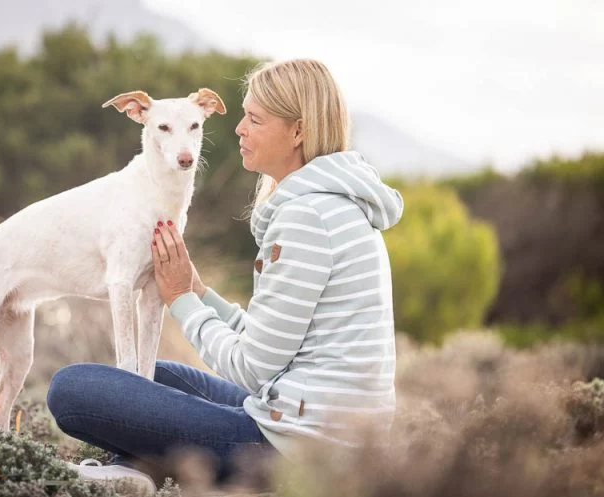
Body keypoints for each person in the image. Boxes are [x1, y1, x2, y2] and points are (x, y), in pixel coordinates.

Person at [46, 58, 404, 493]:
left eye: (254, 119)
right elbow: (275, 344)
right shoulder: (332, 205)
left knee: (73, 388)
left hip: (299, 452)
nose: (238, 129)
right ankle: (135, 470)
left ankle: (136, 467)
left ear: (298, 131)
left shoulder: (308, 219)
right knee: (147, 374)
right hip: (303, 424)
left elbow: (251, 368)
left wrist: (180, 300)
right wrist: (200, 292)